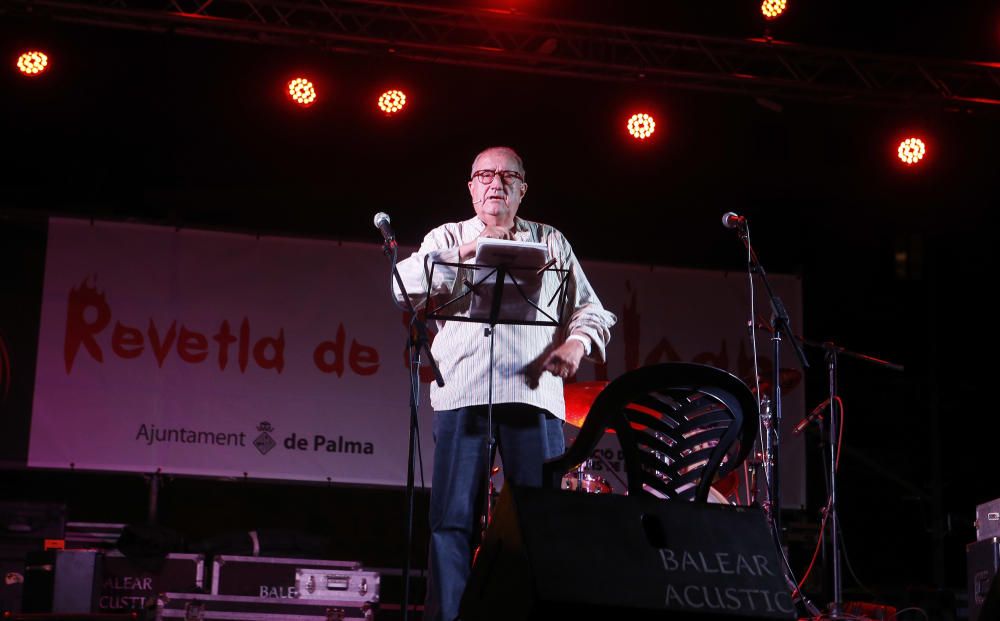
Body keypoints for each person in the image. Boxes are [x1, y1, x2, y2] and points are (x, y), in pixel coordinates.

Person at [393, 146, 616, 621]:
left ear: (523, 189)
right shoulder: (447, 236)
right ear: (471, 186)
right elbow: (401, 285)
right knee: (451, 522)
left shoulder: (550, 240)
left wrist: (576, 345)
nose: (495, 183)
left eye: (507, 176)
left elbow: (592, 309)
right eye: (484, 175)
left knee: (538, 523)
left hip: (533, 396)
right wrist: (467, 250)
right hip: (462, 395)